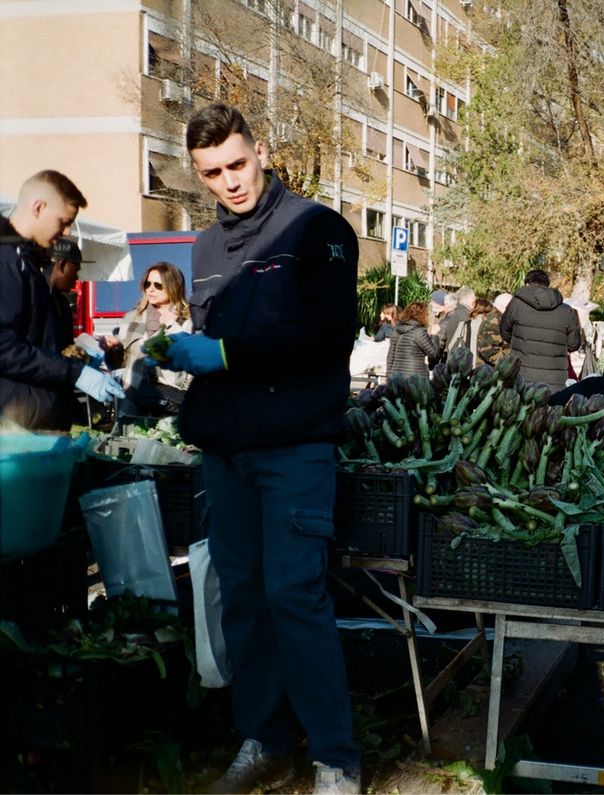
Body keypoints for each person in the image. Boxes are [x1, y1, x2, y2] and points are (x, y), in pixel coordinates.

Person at [154, 103, 361, 794]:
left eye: (237, 164)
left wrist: (223, 352)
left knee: (294, 594)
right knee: (241, 596)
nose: (229, 183)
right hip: (228, 451)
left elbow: (331, 336)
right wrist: (187, 356)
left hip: (296, 444)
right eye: (212, 173)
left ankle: (335, 756)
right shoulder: (206, 250)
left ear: (261, 150)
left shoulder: (318, 228)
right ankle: (266, 738)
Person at [1, 170, 124, 431]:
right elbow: (4, 348)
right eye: (63, 221)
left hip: (34, 422)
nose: (66, 232)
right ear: (38, 208)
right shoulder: (8, 262)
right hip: (14, 428)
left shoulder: (28, 263)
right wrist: (73, 372)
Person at [101, 262, 193, 416]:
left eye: (158, 285)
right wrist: (113, 349)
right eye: (147, 283)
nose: (150, 289)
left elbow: (188, 360)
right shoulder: (133, 318)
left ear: (173, 286)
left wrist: (171, 325)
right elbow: (118, 365)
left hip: (168, 405)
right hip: (131, 402)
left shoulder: (186, 320)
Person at [499, 268, 581, 391]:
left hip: (522, 376)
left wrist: (521, 340)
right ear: (547, 285)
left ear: (527, 284)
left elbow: (504, 332)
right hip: (555, 380)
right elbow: (573, 344)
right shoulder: (566, 311)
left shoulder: (516, 304)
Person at [386, 301, 442, 378]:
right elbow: (434, 354)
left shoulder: (397, 330)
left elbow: (391, 355)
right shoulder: (419, 332)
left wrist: (388, 377)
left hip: (397, 377)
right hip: (415, 378)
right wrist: (434, 335)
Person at [466, 297, 505, 366]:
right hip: (481, 368)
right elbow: (487, 351)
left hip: (468, 366)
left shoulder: (467, 323)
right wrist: (505, 360)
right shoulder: (492, 322)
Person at [441, 286, 473, 354]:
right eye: (474, 299)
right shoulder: (465, 316)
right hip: (459, 357)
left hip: (453, 355)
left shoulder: (455, 312)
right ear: (470, 299)